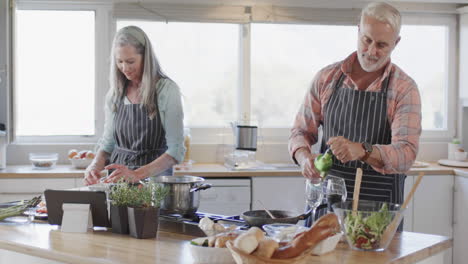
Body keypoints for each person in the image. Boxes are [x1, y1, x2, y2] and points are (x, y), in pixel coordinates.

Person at [289, 2, 421, 225]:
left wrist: (363, 150)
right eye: (367, 40)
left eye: (381, 45)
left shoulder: (403, 89)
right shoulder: (326, 78)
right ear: (358, 30)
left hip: (379, 212)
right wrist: (303, 158)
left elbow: (406, 155)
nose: (371, 52)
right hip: (327, 207)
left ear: (396, 43)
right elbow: (300, 131)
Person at [84, 26, 185, 185]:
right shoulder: (115, 94)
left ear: (146, 57)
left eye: (131, 61)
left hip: (155, 182)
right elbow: (108, 144)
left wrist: (136, 174)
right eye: (120, 61)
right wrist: (95, 165)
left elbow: (176, 151)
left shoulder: (166, 90)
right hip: (117, 181)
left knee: (149, 211)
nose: (125, 68)